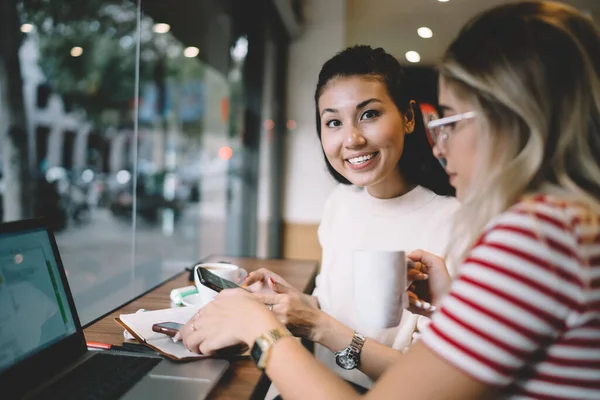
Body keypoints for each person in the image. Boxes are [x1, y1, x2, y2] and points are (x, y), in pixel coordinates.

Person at [179, 1, 600, 398]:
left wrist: (260, 331)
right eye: (332, 122)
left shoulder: (539, 240)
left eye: (451, 120)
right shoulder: (573, 227)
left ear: (512, 119)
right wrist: (300, 311)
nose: (441, 145)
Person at [241, 45, 460, 392]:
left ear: (408, 117)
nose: (352, 139)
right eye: (333, 122)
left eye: (369, 114)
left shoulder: (455, 223)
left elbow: (430, 384)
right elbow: (331, 310)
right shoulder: (340, 204)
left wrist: (315, 324)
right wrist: (292, 303)